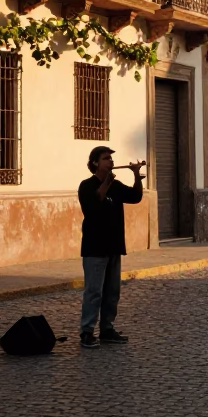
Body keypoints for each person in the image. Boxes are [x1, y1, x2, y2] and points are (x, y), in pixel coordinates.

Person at [77, 146, 144, 349]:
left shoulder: (116, 185)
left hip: (114, 245)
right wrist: (106, 182)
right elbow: (93, 207)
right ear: (96, 163)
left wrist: (137, 176)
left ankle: (107, 329)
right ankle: (87, 332)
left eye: (111, 159)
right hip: (95, 247)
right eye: (106, 159)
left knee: (112, 291)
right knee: (94, 292)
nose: (111, 162)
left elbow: (135, 197)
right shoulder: (86, 186)